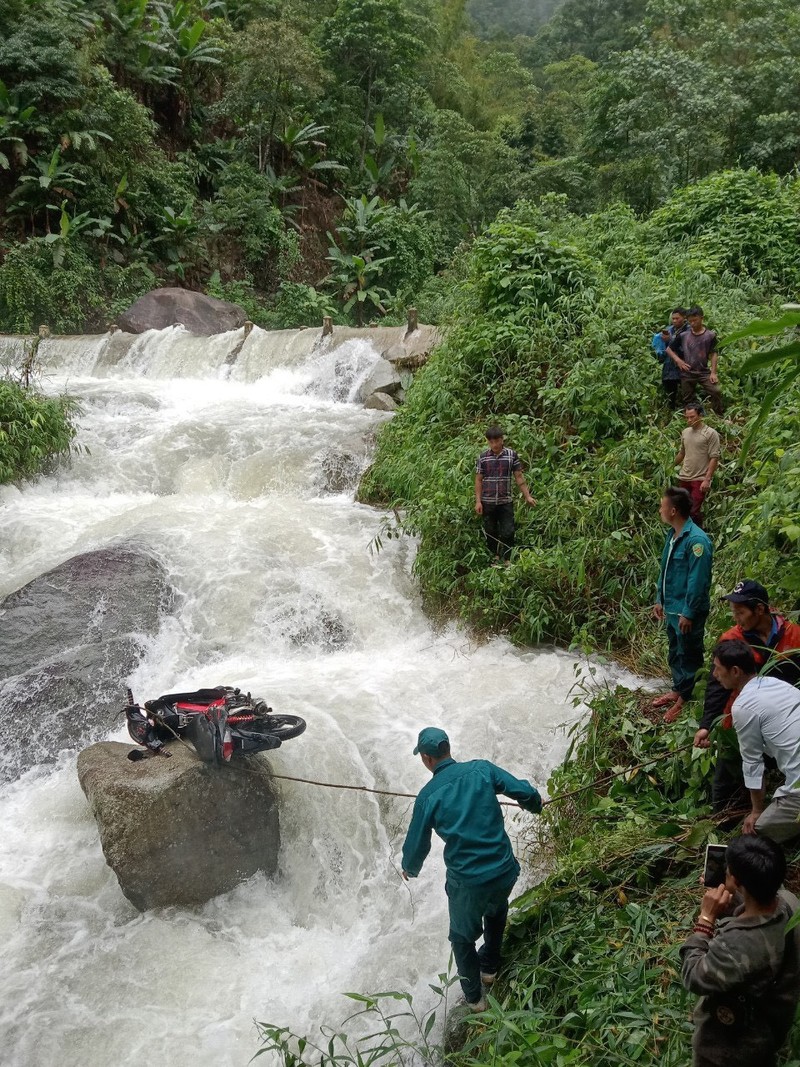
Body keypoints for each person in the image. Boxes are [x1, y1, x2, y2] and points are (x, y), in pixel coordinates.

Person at [401, 727, 542, 1012]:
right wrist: (535, 804)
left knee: (462, 938)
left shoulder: (428, 796)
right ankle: (489, 967)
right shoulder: (481, 769)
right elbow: (522, 790)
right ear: (448, 749)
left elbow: (418, 843)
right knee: (496, 908)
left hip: (468, 881)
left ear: (427, 758)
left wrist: (409, 868)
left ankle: (475, 999)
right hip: (504, 870)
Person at [680, 834, 800, 1067]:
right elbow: (760, 907)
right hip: (770, 1025)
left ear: (735, 880)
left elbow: (694, 976)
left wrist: (706, 919)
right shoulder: (790, 902)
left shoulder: (736, 947)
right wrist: (733, 899)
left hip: (729, 1049)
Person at [694, 580, 800, 820]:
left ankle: (770, 812)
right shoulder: (732, 639)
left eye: (740, 612)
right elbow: (716, 685)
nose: (737, 619)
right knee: (729, 769)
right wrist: (707, 724)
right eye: (734, 613)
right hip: (739, 716)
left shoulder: (794, 635)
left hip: (779, 721)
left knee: (780, 762)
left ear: (760, 610)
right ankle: (722, 819)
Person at [709, 639, 800, 843]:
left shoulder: (743, 707)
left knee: (756, 832)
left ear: (735, 671)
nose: (714, 675)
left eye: (717, 669)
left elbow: (752, 763)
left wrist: (756, 810)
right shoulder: (776, 684)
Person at [652, 486, 713, 723]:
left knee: (689, 654)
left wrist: (688, 613)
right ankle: (678, 689)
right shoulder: (673, 535)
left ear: (673, 510)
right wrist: (660, 599)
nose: (660, 510)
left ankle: (686, 699)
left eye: (662, 506)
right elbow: (665, 569)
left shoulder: (696, 541)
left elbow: (697, 582)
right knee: (675, 651)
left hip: (687, 612)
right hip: (671, 608)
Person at [474, 427, 536, 565]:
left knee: (508, 530)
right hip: (487, 501)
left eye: (496, 441)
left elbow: (519, 477)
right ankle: (495, 556)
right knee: (490, 530)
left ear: (502, 439)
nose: (494, 445)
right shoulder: (483, 457)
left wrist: (527, 496)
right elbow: (478, 480)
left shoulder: (511, 455)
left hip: (505, 501)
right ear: (488, 442)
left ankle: (508, 559)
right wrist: (478, 501)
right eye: (491, 442)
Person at [666, 305, 724, 415]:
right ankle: (694, 417)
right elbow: (669, 349)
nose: (692, 323)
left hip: (703, 372)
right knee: (688, 398)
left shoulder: (710, 335)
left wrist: (713, 372)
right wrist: (678, 361)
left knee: (715, 390)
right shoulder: (683, 335)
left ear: (702, 318)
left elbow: (714, 353)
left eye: (695, 320)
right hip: (687, 372)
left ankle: (719, 415)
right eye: (690, 321)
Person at [675, 402, 721, 527]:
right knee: (682, 510)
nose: (689, 420)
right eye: (687, 417)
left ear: (700, 415)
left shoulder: (710, 433)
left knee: (693, 511)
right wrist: (668, 466)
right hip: (684, 477)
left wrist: (707, 479)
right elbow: (682, 453)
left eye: (692, 417)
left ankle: (698, 537)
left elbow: (714, 457)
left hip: (699, 479)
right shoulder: (685, 432)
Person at [651, 307, 688, 407]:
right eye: (673, 318)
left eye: (677, 318)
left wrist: (670, 340)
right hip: (669, 366)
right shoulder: (669, 330)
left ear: (684, 318)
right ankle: (670, 412)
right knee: (670, 393)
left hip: (683, 364)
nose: (674, 321)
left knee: (688, 393)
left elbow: (687, 349)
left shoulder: (688, 331)